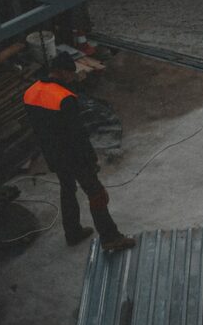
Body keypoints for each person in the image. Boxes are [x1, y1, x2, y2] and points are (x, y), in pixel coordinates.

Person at [22, 52, 135, 251]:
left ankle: (72, 232)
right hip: (74, 156)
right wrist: (91, 160)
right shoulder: (64, 98)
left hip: (53, 156)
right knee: (97, 194)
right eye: (71, 74)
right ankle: (110, 237)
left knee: (67, 190)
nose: (73, 78)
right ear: (63, 73)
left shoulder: (30, 92)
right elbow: (77, 136)